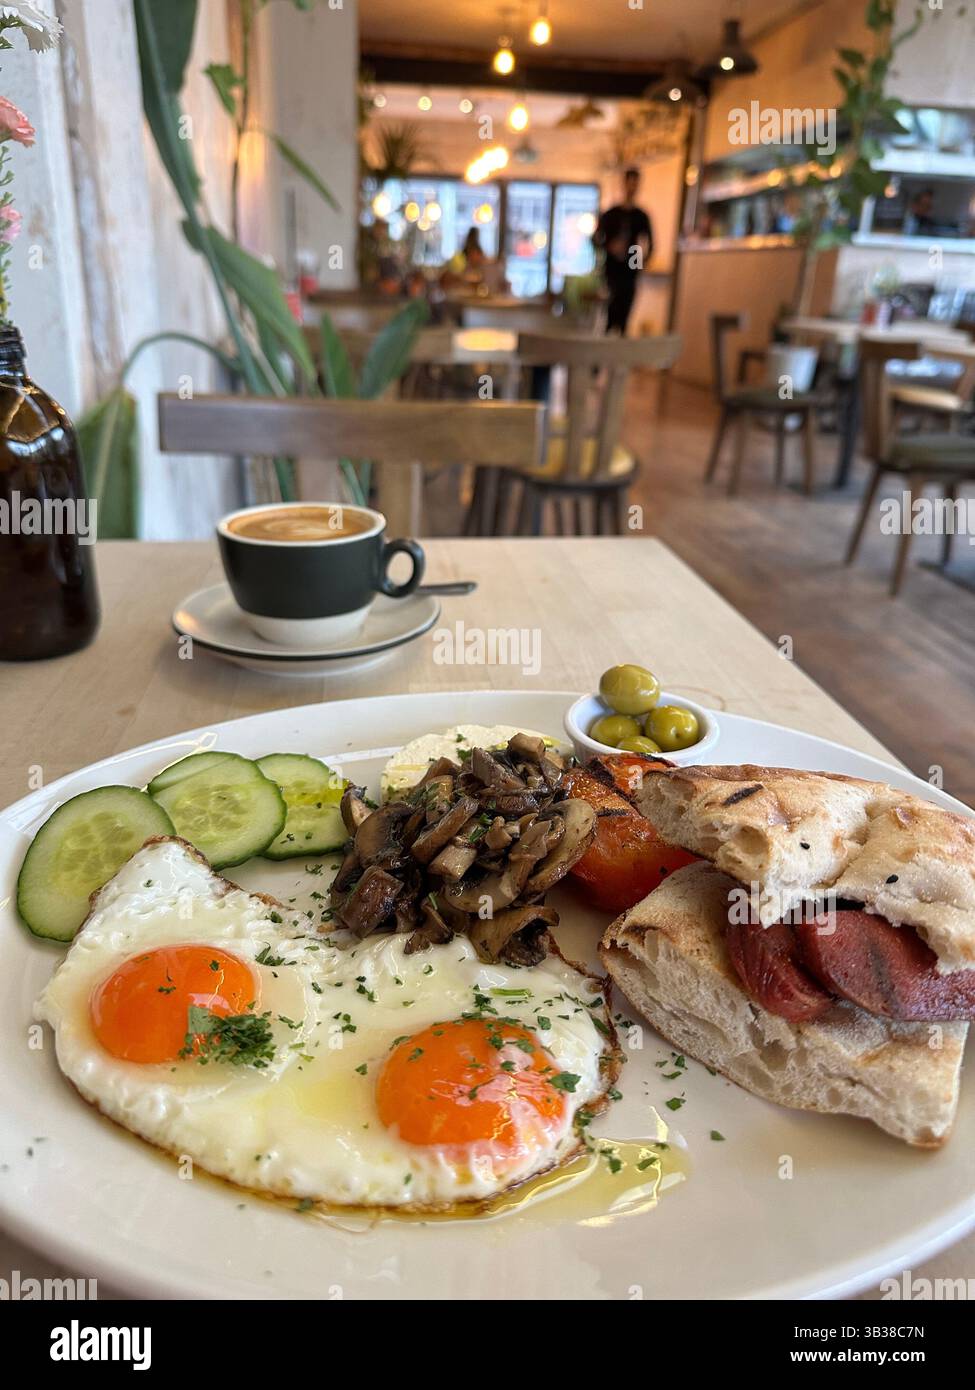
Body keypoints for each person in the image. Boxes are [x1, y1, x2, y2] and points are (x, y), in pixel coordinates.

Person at [593, 168, 652, 335]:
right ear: (624, 184)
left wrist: (639, 262)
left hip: (630, 271)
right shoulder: (611, 214)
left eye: (635, 184)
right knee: (610, 315)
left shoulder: (641, 216)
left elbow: (649, 244)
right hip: (611, 270)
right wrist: (609, 247)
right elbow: (596, 239)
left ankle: (618, 354)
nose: (632, 187)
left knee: (625, 316)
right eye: (630, 183)